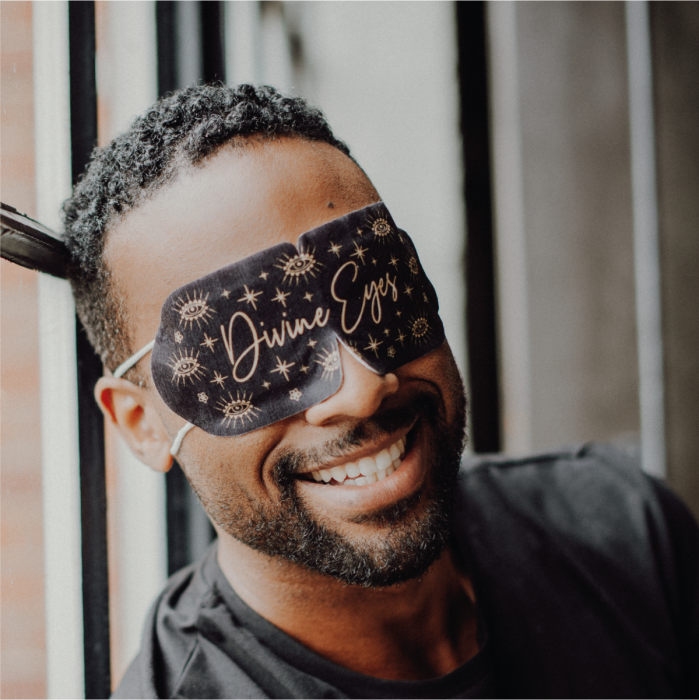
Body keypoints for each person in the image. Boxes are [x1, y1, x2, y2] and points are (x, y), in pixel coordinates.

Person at [62, 84, 698, 699]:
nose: (363, 389)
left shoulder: (627, 530)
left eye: (371, 289)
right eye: (254, 347)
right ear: (142, 425)